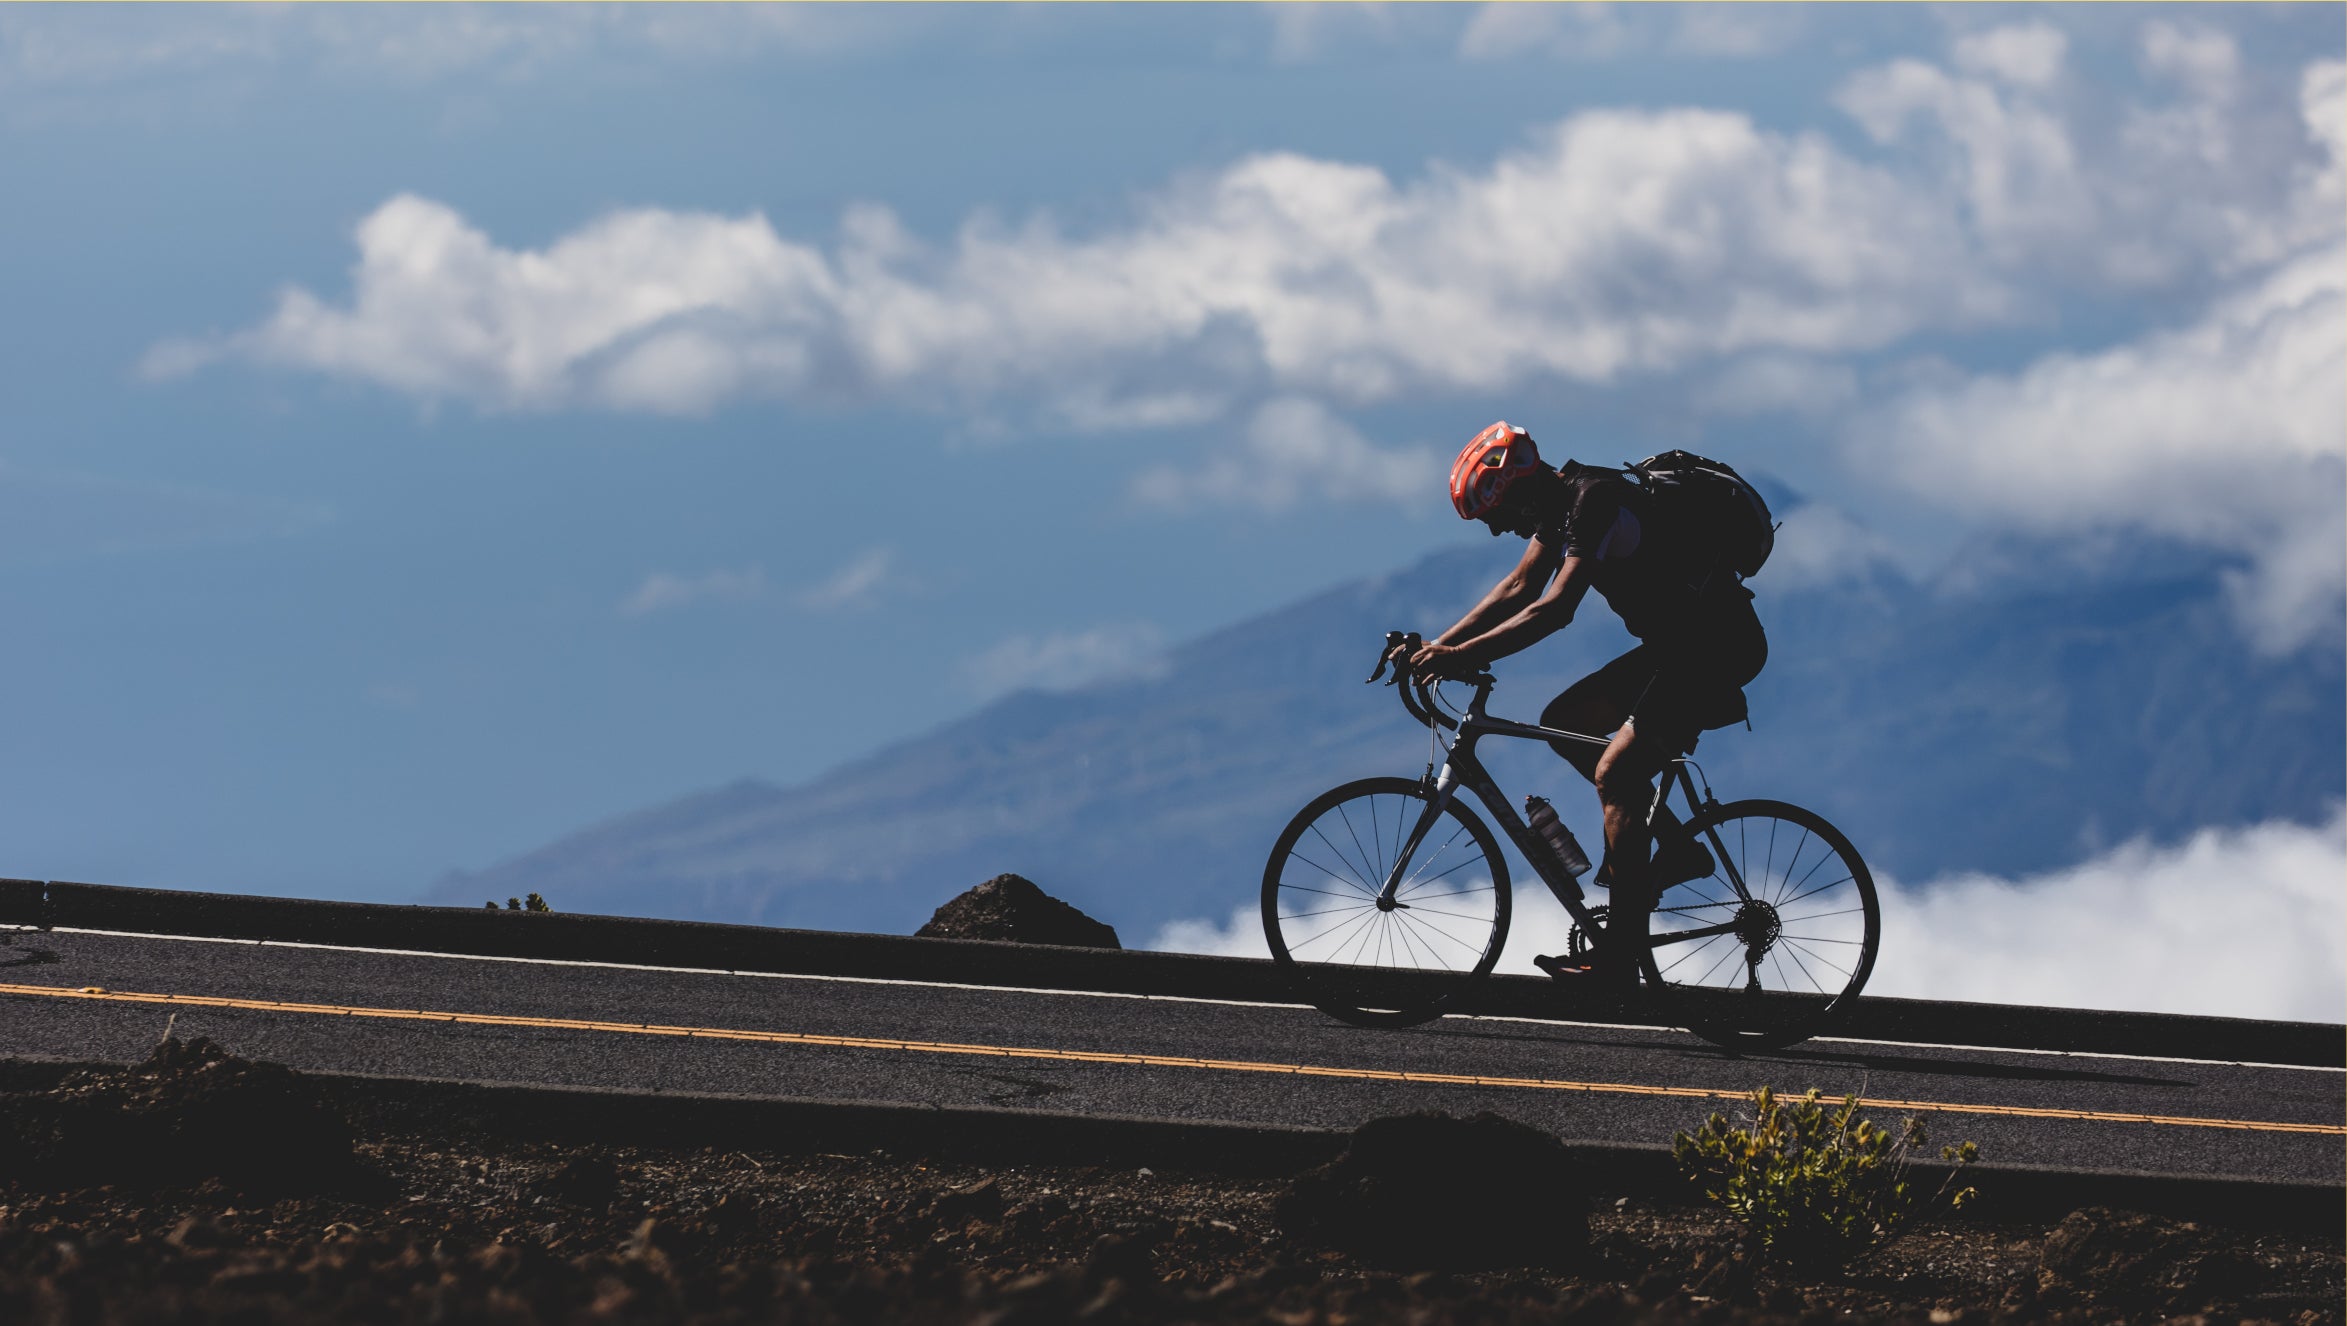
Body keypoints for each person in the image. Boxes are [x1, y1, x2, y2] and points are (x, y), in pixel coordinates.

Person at [1401, 421, 1767, 985]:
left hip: (1716, 646)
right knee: (1564, 722)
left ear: (1518, 487)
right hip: (1677, 646)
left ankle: (1619, 958)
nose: (1499, 531)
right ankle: (1675, 848)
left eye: (1497, 515)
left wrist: (1459, 656)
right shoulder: (1561, 505)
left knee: (1616, 775)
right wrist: (1440, 647)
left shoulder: (1594, 500)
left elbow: (1554, 608)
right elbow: (1519, 587)